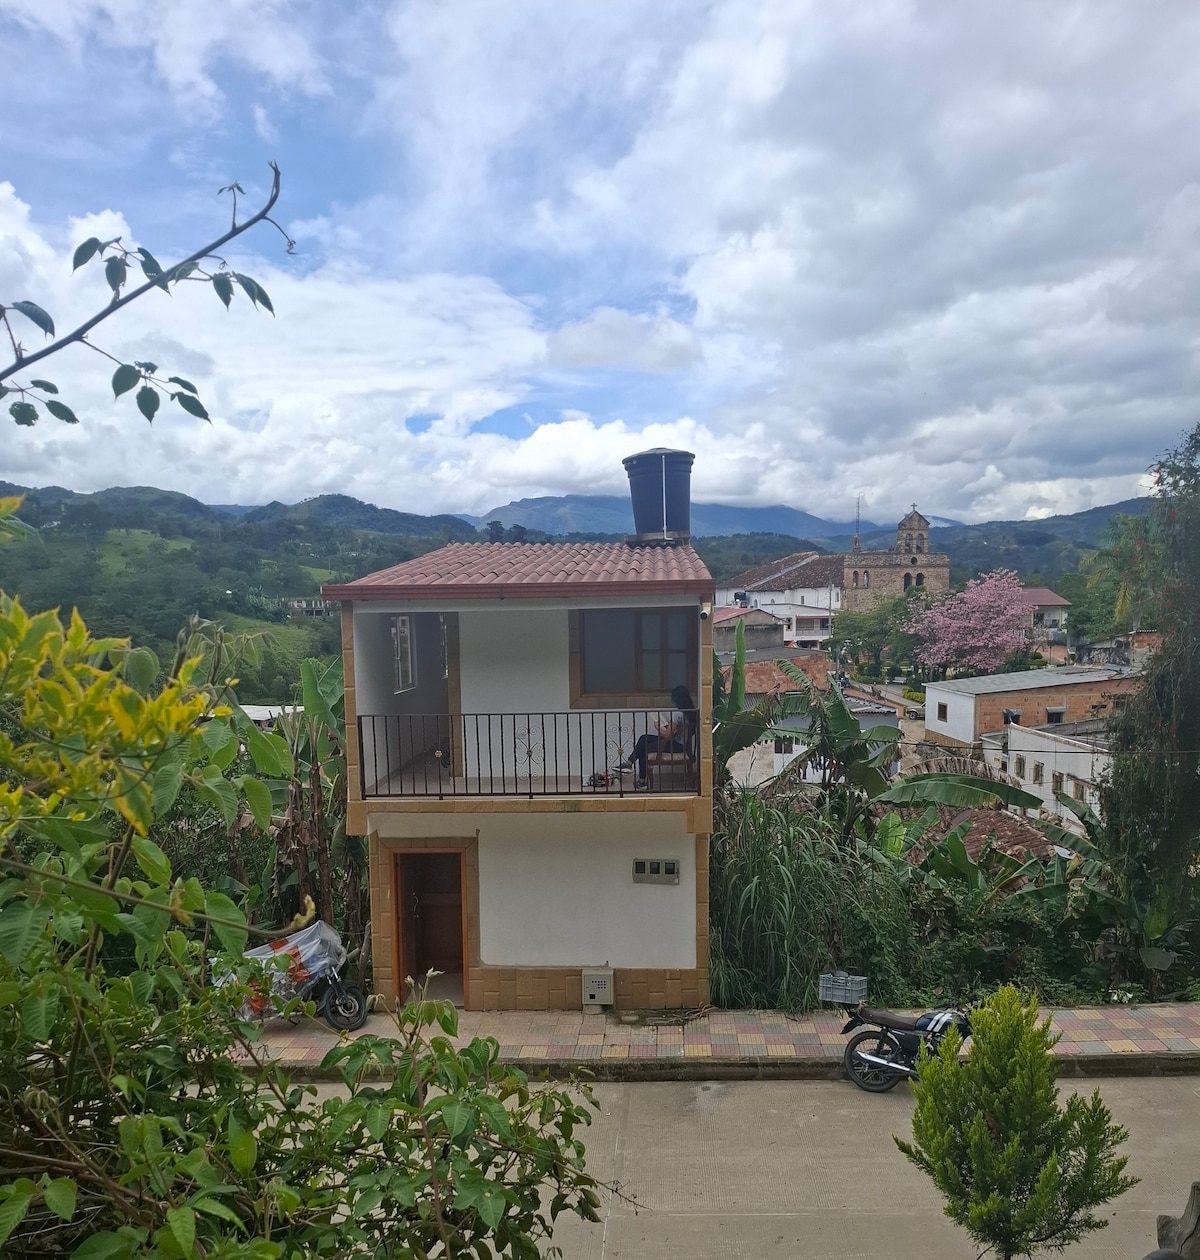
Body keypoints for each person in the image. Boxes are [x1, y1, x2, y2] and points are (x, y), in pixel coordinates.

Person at [615, 685, 695, 787]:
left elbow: (666, 735)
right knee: (644, 738)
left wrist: (657, 727)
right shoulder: (690, 712)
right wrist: (668, 726)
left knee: (643, 749)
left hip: (676, 745)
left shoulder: (678, 714)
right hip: (680, 743)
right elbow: (678, 732)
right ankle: (630, 763)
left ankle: (641, 780)